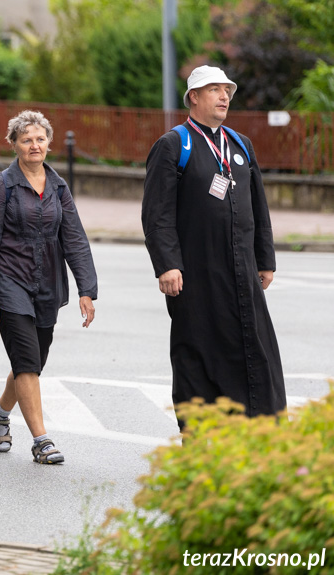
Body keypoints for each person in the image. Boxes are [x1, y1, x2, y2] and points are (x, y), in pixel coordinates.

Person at [142, 65, 285, 422]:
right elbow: (156, 213)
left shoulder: (240, 145)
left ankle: (259, 426)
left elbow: (258, 206)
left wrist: (265, 259)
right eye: (214, 90)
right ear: (193, 97)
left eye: (227, 91)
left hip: (242, 270)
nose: (224, 97)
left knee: (254, 345)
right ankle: (202, 437)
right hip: (196, 272)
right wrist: (167, 264)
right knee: (199, 351)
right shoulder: (175, 144)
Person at [0, 110, 98, 464]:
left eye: (40, 139)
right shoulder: (3, 185)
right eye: (26, 139)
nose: (34, 145)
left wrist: (86, 289)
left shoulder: (58, 186)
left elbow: (75, 239)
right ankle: (41, 441)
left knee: (32, 361)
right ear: (13, 144)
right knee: (27, 360)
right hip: (10, 280)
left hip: (47, 284)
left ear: (49, 143)